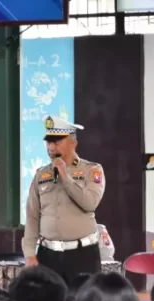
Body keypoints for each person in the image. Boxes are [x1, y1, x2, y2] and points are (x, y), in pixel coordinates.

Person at [22, 116, 105, 283]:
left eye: (57, 141)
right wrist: (30, 254)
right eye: (48, 142)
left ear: (73, 143)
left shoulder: (92, 170)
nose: (51, 147)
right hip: (48, 255)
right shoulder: (41, 175)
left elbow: (89, 203)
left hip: (83, 254)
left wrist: (65, 176)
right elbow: (32, 216)